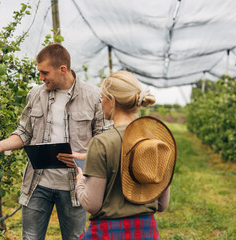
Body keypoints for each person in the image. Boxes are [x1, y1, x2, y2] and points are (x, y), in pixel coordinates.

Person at [0, 43, 106, 240]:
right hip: (38, 184)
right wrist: (2, 145)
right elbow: (24, 132)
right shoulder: (36, 95)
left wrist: (83, 158)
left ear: (62, 69)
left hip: (76, 185)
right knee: (30, 237)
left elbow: (103, 143)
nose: (40, 78)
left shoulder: (94, 96)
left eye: (44, 72)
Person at [74, 71, 176, 239]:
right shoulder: (157, 142)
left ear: (111, 100)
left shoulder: (101, 143)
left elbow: (92, 204)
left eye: (102, 98)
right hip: (146, 231)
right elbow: (162, 204)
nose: (101, 103)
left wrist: (80, 182)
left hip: (109, 232)